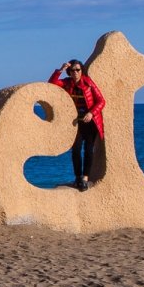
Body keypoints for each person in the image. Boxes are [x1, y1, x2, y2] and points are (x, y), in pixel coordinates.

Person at [49, 59, 105, 191]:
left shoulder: (88, 83)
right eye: (73, 70)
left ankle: (85, 178)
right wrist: (60, 70)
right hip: (76, 124)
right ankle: (78, 177)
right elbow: (52, 83)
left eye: (78, 70)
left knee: (89, 150)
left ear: (82, 71)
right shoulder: (67, 83)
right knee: (75, 150)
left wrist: (91, 113)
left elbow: (101, 101)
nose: (75, 73)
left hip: (90, 123)